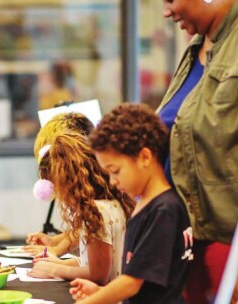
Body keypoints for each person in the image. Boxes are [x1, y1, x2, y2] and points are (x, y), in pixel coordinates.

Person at [156, 0, 238, 302]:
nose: (166, 11)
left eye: (170, 0)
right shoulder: (196, 46)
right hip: (187, 234)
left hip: (225, 238)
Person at [70, 103, 192, 303]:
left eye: (115, 170)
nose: (112, 181)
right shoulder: (146, 204)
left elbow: (131, 282)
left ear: (144, 157)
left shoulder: (165, 210)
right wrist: (100, 293)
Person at [28, 131, 135, 285]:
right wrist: (58, 263)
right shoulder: (111, 203)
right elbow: (97, 263)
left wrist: (53, 271)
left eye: (57, 186)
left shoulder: (96, 212)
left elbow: (98, 274)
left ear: (69, 181)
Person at [24, 112, 95, 257]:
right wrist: (54, 241)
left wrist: (56, 250)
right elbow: (81, 229)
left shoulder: (95, 197)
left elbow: (91, 226)